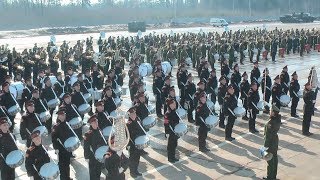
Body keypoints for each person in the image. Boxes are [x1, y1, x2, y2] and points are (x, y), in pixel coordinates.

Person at [51, 108, 74, 180]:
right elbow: (53, 139)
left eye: (63, 115)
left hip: (68, 148)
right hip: (61, 150)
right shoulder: (56, 127)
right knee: (62, 166)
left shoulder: (68, 123)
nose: (62, 116)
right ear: (58, 116)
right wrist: (56, 148)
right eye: (60, 115)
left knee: (67, 164)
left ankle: (67, 177)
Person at [83, 115, 105, 180]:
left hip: (100, 154)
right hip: (92, 156)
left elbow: (102, 141)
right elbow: (86, 147)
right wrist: (86, 157)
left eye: (96, 122)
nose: (96, 124)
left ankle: (98, 176)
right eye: (94, 123)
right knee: (93, 170)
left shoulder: (99, 130)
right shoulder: (88, 134)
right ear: (91, 124)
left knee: (98, 167)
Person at [263, 105, 281, 180]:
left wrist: (265, 147)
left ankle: (270, 177)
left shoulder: (270, 123)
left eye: (271, 111)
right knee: (275, 159)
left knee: (270, 161)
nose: (270, 112)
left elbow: (268, 137)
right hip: (275, 141)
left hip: (270, 143)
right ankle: (273, 176)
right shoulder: (278, 119)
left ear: (273, 113)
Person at [126, 107, 144, 177]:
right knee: (132, 159)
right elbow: (127, 136)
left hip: (138, 143)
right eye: (132, 114)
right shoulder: (128, 124)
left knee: (137, 158)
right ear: (129, 115)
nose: (134, 115)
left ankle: (136, 170)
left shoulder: (137, 120)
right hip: (132, 145)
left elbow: (141, 130)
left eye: (134, 113)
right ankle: (132, 172)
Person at [164, 98, 180, 162]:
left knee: (175, 144)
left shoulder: (175, 111)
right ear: (169, 105)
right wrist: (167, 132)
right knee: (170, 145)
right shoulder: (168, 113)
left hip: (175, 130)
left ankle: (173, 157)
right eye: (173, 104)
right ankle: (170, 158)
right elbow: (166, 123)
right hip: (171, 131)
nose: (174, 104)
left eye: (175, 103)